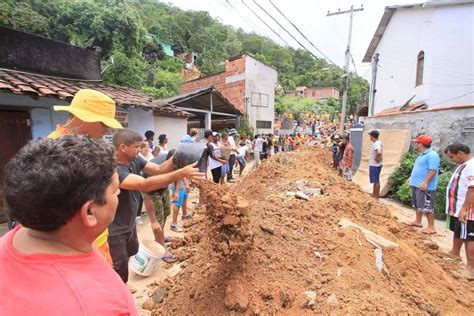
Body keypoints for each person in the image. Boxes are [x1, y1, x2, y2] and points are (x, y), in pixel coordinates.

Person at [0, 136, 137, 314]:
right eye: (115, 189)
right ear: (89, 212)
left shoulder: (16, 239)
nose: (118, 193)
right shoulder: (98, 305)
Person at [108, 129, 203, 282]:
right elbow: (145, 185)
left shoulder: (135, 160)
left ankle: (123, 286)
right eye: (137, 147)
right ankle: (120, 293)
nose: (140, 150)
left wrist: (179, 155)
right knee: (118, 269)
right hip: (115, 228)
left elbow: (159, 170)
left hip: (129, 223)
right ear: (123, 147)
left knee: (130, 254)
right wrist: (180, 173)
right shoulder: (115, 170)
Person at [47, 88, 123, 266]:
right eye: (104, 124)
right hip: (78, 243)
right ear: (83, 118)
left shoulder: (84, 146)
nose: (108, 129)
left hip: (95, 238)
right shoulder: (56, 151)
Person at [444, 143, 474, 276]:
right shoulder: (464, 166)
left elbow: (472, 190)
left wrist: (464, 209)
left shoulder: (472, 166)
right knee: (460, 232)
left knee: (469, 238)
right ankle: (455, 253)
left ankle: (471, 269)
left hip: (468, 210)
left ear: (460, 153)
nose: (452, 160)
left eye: (452, 157)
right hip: (459, 208)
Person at [404, 135, 440, 234]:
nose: (416, 144)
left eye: (417, 143)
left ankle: (431, 227)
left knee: (428, 206)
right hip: (417, 184)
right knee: (418, 204)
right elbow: (418, 169)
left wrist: (425, 182)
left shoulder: (432, 155)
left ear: (421, 144)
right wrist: (411, 179)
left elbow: (433, 170)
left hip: (426, 186)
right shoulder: (422, 155)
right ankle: (418, 221)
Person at [368, 130, 384, 199]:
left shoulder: (377, 144)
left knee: (376, 181)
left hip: (375, 165)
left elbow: (379, 152)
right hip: (375, 165)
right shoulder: (378, 143)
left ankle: (376, 196)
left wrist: (377, 158)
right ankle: (374, 194)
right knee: (375, 181)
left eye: (370, 136)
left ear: (372, 136)